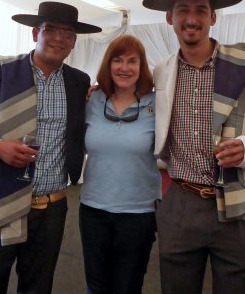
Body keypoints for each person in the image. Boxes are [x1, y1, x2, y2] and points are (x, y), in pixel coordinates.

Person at [142, 0, 245, 293]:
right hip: (180, 202)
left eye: (201, 10)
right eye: (183, 10)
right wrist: (98, 91)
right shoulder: (160, 72)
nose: (192, 19)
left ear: (213, 17)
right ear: (170, 18)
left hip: (239, 202)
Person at [0, 1, 101, 294]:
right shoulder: (0, 72)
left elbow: (82, 128)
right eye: (50, 29)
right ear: (35, 33)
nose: (58, 38)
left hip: (51, 208)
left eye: (67, 32)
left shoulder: (78, 81)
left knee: (37, 287)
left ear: (73, 41)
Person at [79, 35, 161, 294]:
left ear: (142, 66)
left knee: (128, 286)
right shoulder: (91, 101)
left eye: (132, 61)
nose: (124, 68)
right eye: (118, 60)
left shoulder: (158, 104)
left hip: (138, 213)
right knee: (96, 285)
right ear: (108, 64)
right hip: (93, 209)